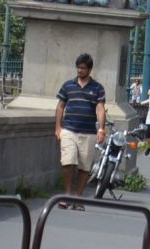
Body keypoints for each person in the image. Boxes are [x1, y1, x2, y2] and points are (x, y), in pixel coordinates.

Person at [53, 53, 106, 207]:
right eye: (78, 68)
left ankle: (79, 198)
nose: (80, 71)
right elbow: (60, 106)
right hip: (69, 129)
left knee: (84, 166)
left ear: (90, 70)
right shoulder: (68, 85)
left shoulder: (97, 88)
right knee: (68, 162)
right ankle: (67, 195)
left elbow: (100, 108)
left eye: (83, 68)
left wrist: (101, 129)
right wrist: (58, 127)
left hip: (88, 132)